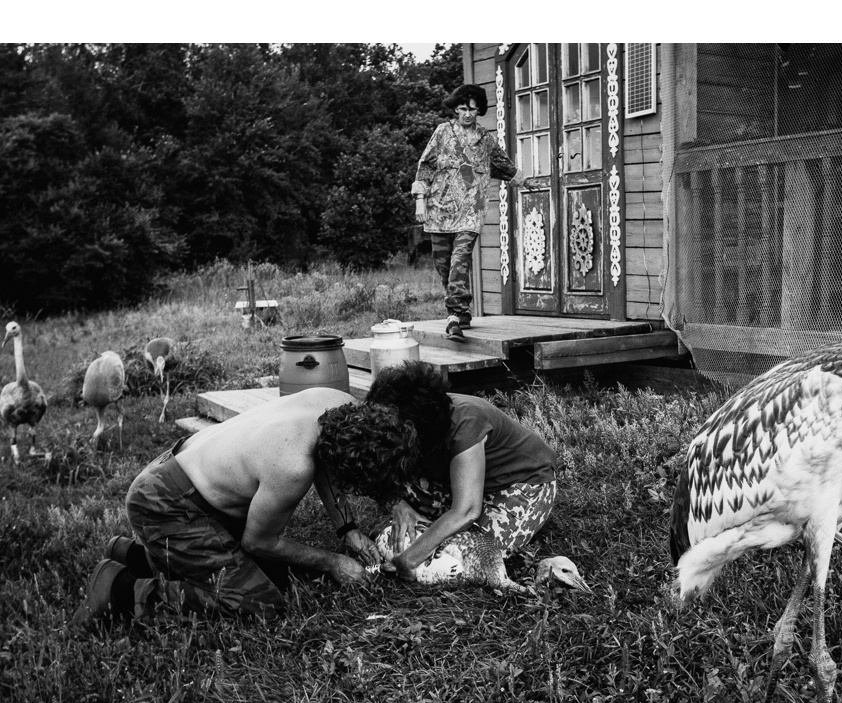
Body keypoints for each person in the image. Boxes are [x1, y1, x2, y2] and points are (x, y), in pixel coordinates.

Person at [71, 388, 418, 627]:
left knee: (275, 571)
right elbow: (259, 542)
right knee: (257, 601)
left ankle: (136, 555)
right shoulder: (292, 465)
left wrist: (348, 530)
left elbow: (328, 458)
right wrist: (332, 562)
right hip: (166, 504)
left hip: (176, 474)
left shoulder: (337, 404)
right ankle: (119, 588)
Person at [365, 361, 557, 581]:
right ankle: (431, 528)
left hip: (523, 482)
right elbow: (377, 470)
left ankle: (433, 534)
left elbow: (466, 510)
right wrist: (397, 504)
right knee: (390, 478)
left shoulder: (466, 422)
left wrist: (409, 559)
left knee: (479, 553)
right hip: (460, 478)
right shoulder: (408, 419)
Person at [412, 83, 537, 341]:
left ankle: (454, 317)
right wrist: (420, 201)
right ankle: (463, 309)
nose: (467, 114)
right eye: (462, 109)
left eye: (472, 109)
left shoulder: (485, 139)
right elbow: (425, 167)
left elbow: (503, 165)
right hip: (441, 210)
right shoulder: (442, 133)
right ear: (455, 110)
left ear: (479, 110)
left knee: (460, 259)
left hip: (471, 210)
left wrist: (524, 181)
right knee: (443, 265)